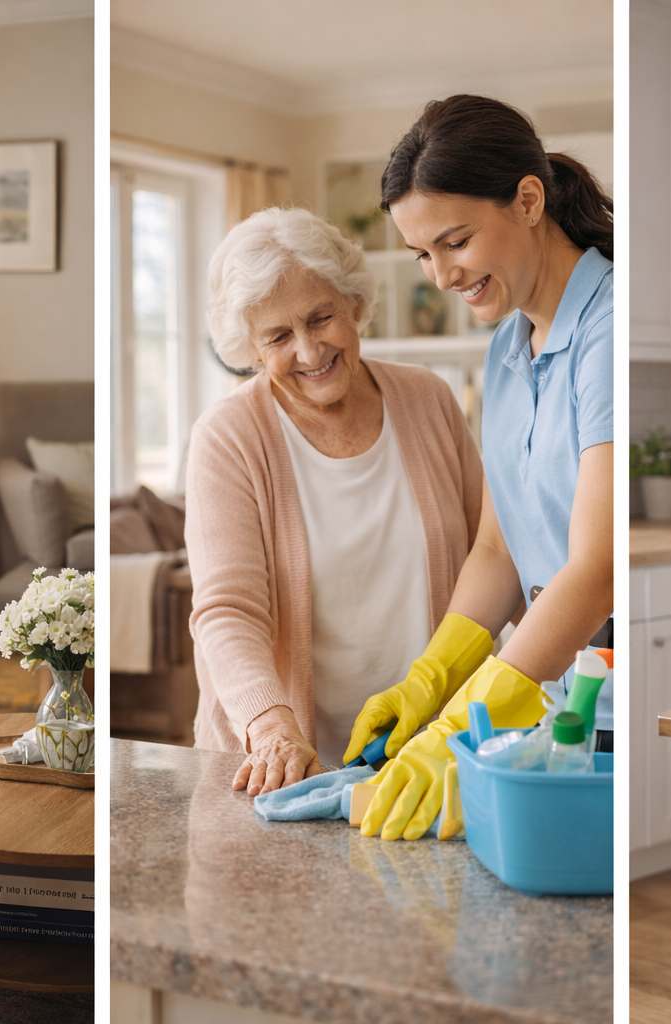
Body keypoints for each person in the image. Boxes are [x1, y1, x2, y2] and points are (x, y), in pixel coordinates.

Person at [345, 94, 615, 841]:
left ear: (529, 199)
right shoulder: (506, 347)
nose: (440, 274)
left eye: (455, 241)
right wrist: (431, 678)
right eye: (422, 254)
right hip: (557, 679)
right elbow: (499, 547)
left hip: (625, 682)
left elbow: (598, 568)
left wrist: (469, 713)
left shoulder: (610, 332)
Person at [184, 207, 484, 795]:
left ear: (353, 302)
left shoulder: (428, 399)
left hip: (434, 752)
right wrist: (272, 728)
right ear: (248, 346)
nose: (308, 350)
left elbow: (492, 554)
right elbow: (227, 611)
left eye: (321, 317)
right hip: (288, 769)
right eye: (277, 336)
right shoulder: (227, 437)